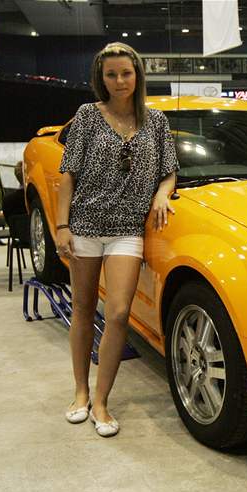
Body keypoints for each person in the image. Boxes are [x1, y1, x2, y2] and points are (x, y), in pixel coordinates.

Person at [57, 42, 178, 437]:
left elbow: (169, 170)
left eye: (126, 73)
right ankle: (79, 392)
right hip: (85, 225)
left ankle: (103, 400)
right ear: (101, 78)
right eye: (111, 74)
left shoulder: (156, 121)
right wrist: (61, 227)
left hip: (128, 229)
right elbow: (68, 175)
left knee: (120, 313)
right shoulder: (89, 116)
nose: (120, 81)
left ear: (138, 74)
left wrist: (162, 193)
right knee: (82, 308)